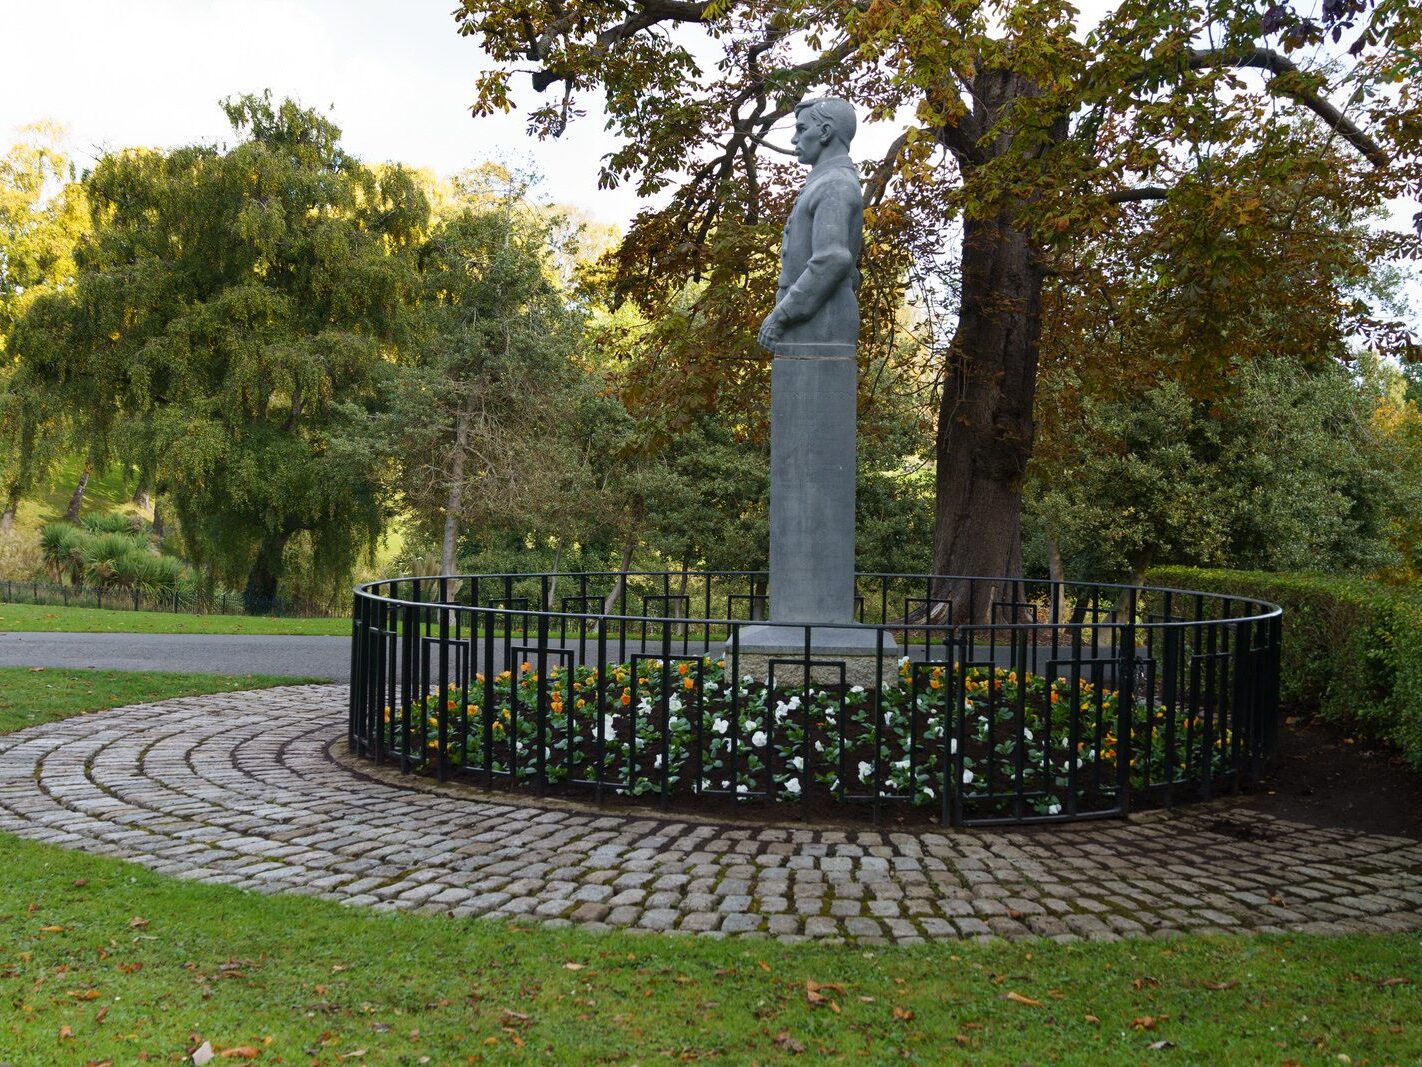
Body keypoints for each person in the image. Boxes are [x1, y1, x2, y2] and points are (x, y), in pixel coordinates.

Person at [757, 97, 863, 358]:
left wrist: (782, 315)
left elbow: (833, 260)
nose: (794, 139)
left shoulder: (833, 184)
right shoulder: (826, 182)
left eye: (802, 129)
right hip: (813, 326)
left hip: (820, 327)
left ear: (825, 132)